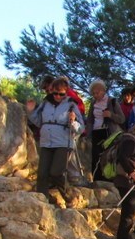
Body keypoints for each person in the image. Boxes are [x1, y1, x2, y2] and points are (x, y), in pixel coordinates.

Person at [26, 77, 85, 208]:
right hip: (46, 142)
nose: (58, 96)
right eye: (55, 93)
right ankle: (42, 202)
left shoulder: (71, 104)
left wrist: (73, 121)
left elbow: (81, 127)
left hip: (63, 142)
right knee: (42, 174)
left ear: (66, 92)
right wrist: (30, 111)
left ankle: (69, 196)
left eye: (61, 94)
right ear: (51, 92)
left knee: (57, 172)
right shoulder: (45, 103)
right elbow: (38, 121)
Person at [86, 79, 126, 181]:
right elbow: (90, 120)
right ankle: (96, 179)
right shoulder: (93, 103)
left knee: (108, 156)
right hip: (96, 131)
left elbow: (122, 119)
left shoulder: (112, 101)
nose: (95, 95)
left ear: (103, 91)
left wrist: (110, 115)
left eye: (97, 92)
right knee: (95, 156)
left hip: (109, 132)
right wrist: (88, 134)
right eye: (93, 93)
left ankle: (109, 179)